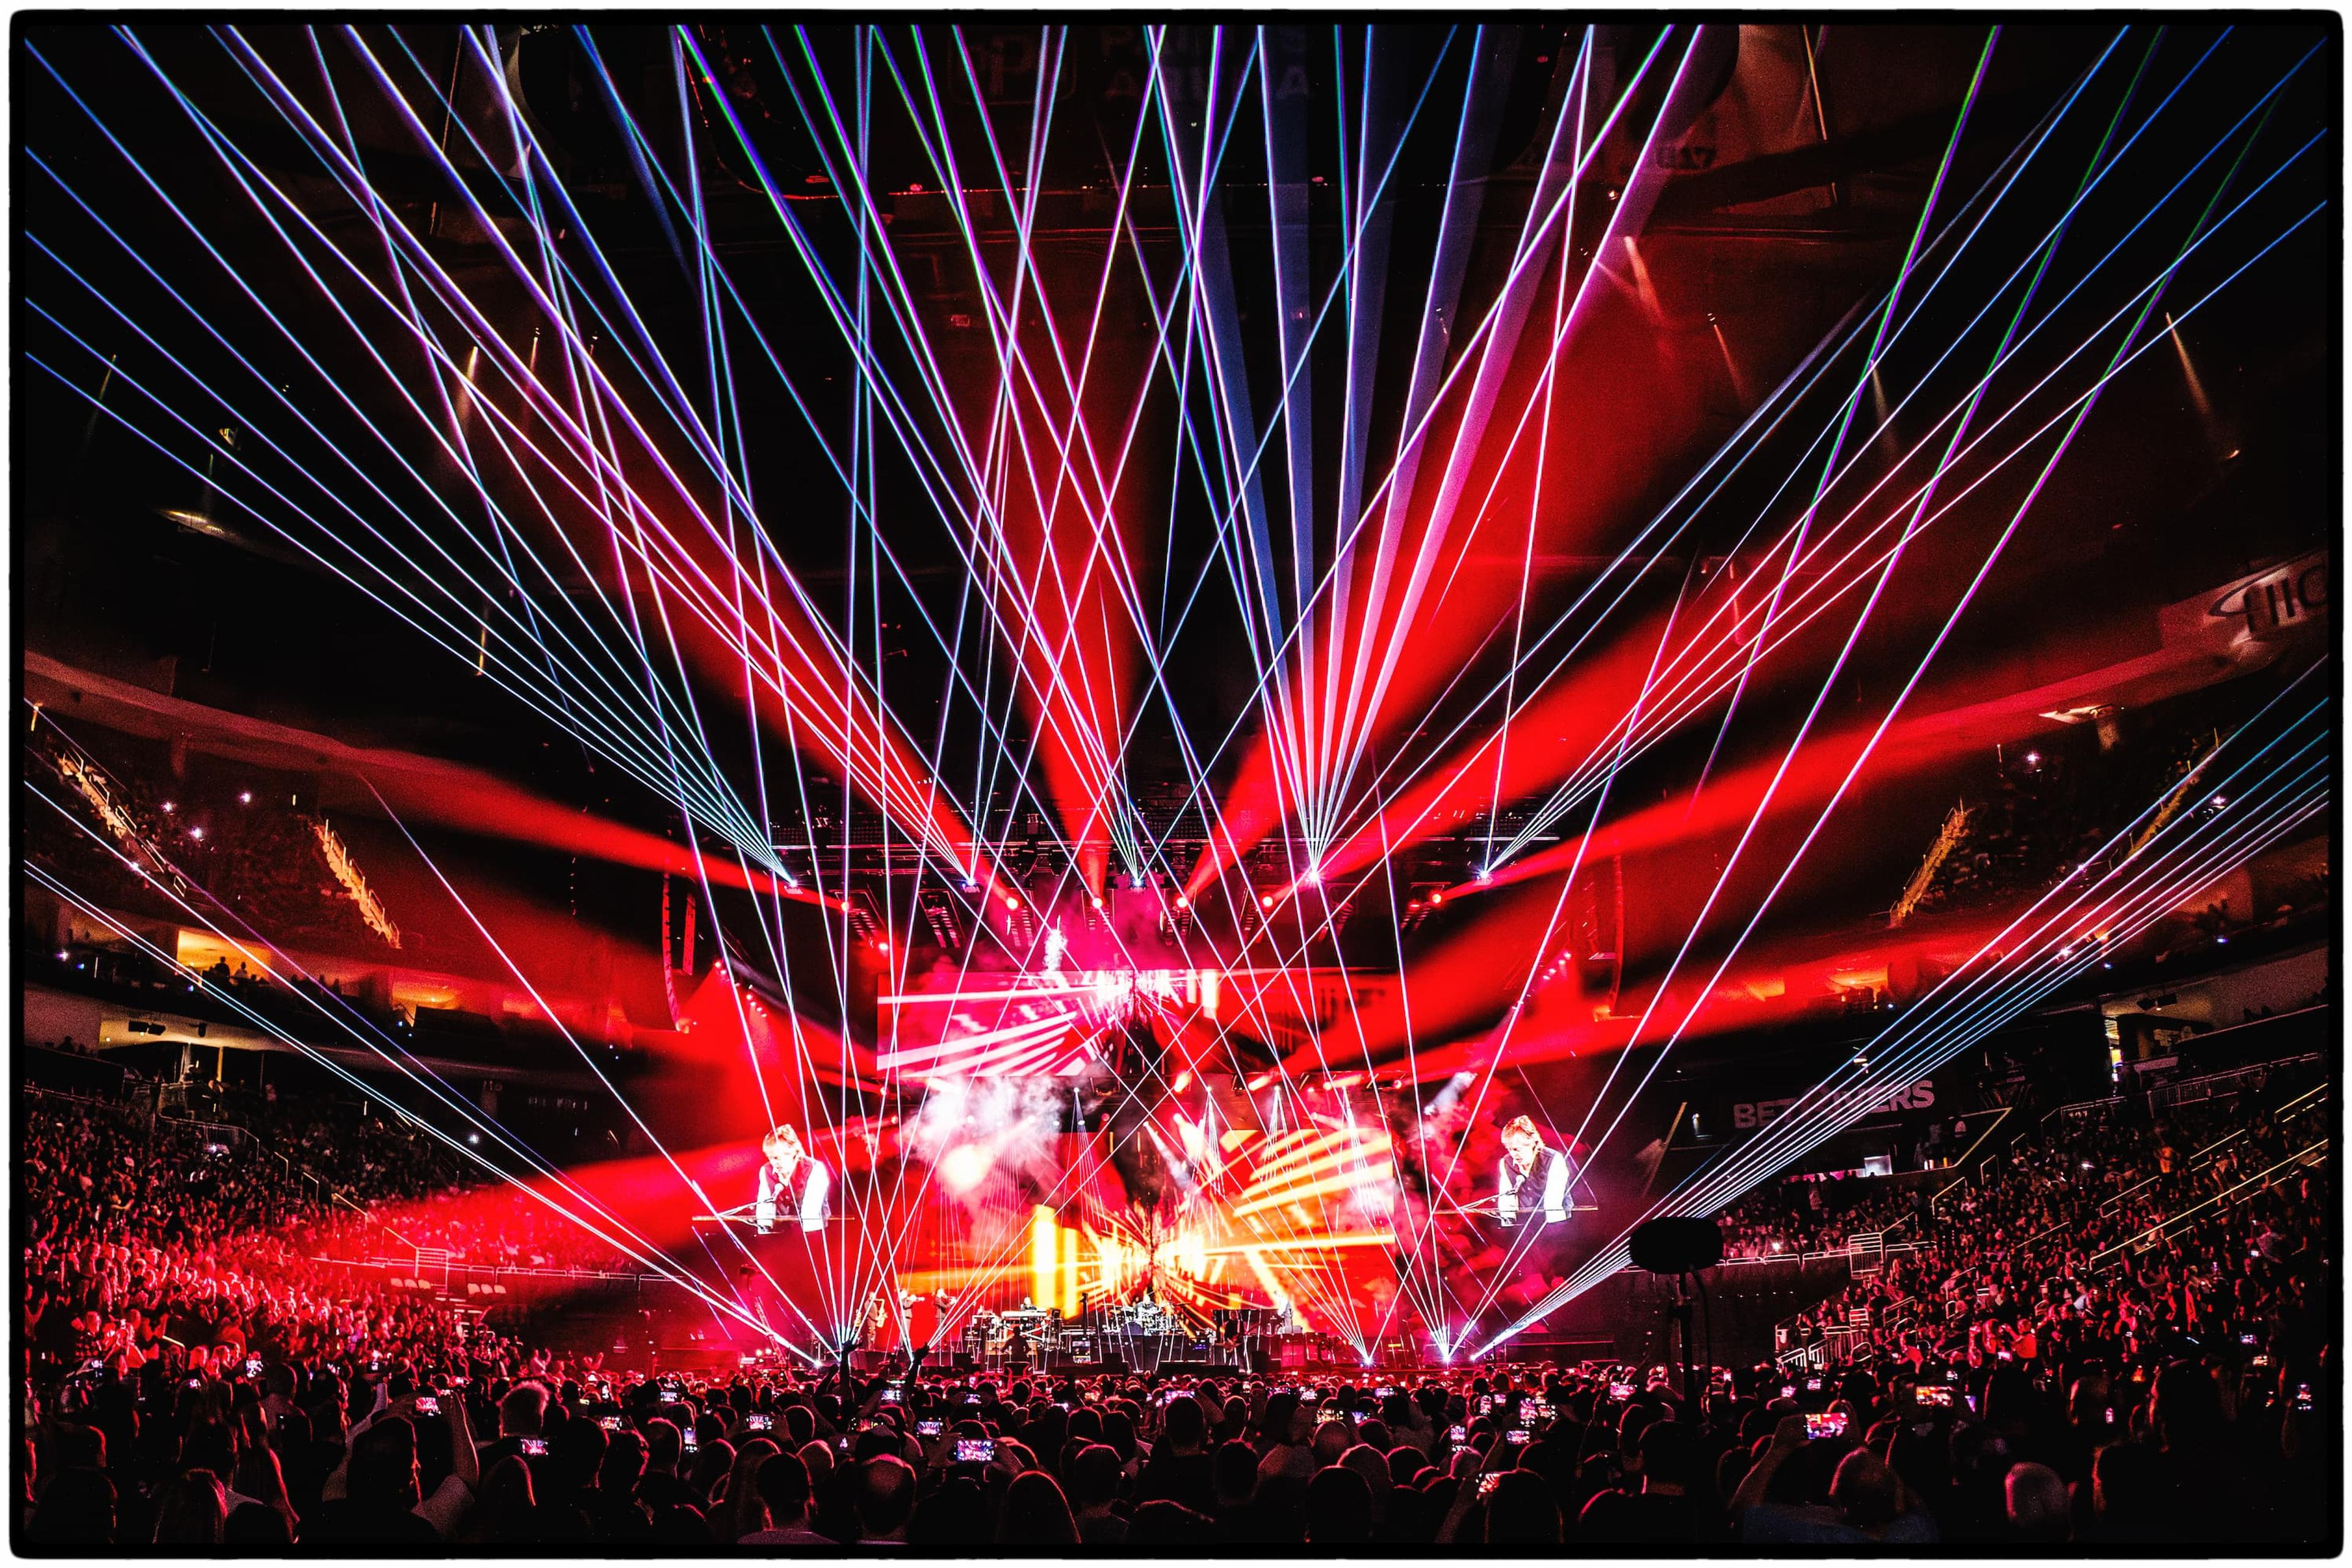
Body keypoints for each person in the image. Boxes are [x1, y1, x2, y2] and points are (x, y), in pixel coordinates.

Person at [1496, 1115, 1575, 1227]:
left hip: (1557, 1224)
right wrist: (1508, 1229)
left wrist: (1552, 1233)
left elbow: (1553, 1203)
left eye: (1517, 1149)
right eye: (1509, 1149)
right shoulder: (1506, 1163)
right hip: (1526, 1225)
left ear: (1533, 1144)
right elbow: (1506, 1202)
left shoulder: (1553, 1159)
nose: (1513, 1154)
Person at [754, 1124, 831, 1234]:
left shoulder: (815, 1169)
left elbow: (811, 1212)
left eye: (777, 1158)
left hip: (815, 1232)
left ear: (793, 1153)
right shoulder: (766, 1171)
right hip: (784, 1234)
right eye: (769, 1157)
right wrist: (764, 1235)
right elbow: (764, 1210)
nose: (773, 1163)